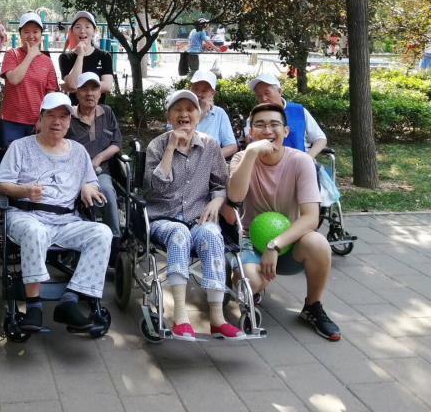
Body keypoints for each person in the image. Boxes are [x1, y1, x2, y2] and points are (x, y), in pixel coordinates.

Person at [0, 92, 112, 332]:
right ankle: (34, 306)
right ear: (40, 119)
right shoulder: (20, 147)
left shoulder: (78, 151)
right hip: (27, 216)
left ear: (69, 122)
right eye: (51, 116)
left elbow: (91, 180)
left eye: (63, 117)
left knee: (102, 233)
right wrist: (25, 190)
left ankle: (70, 300)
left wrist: (88, 186)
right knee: (34, 231)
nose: (57, 122)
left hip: (66, 220)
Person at [228, 103, 341, 341]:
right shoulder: (241, 158)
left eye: (274, 124)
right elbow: (235, 197)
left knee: (318, 243)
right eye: (260, 125)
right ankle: (248, 282)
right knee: (251, 283)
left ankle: (312, 306)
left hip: (289, 241)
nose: (267, 130)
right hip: (250, 238)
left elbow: (311, 217)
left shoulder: (301, 161)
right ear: (251, 132)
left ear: (286, 131)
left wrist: (275, 245)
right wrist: (251, 154)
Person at [143, 89, 244, 340]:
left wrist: (217, 201)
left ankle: (217, 319)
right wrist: (170, 148)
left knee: (212, 234)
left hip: (198, 218)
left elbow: (220, 184)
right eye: (178, 109)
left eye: (190, 109)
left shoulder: (210, 145)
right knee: (179, 233)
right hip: (163, 218)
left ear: (199, 116)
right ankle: (180, 317)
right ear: (169, 116)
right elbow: (155, 189)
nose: (184, 114)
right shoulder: (157, 145)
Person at [67, 72, 122, 239]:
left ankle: (114, 239)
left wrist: (98, 158)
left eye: (94, 89)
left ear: (100, 93)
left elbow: (117, 143)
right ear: (77, 93)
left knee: (107, 191)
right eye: (84, 89)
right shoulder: (69, 116)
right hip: (72, 172)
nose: (89, 93)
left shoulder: (107, 112)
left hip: (100, 171)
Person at [0, 12, 59, 149]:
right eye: (26, 32)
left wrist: (43, 119)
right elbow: (14, 79)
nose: (31, 36)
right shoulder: (12, 55)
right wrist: (30, 56)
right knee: (13, 157)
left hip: (36, 122)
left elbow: (50, 94)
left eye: (35, 32)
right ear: (20, 34)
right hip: (12, 120)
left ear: (41, 35)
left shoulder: (47, 62)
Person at [246, 74, 327, 158]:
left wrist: (308, 157)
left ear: (280, 91)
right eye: (259, 95)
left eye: (267, 93)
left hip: (299, 160)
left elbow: (320, 138)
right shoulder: (255, 116)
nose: (263, 98)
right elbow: (249, 140)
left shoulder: (299, 111)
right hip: (267, 162)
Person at [58, 11, 113, 105]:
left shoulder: (104, 56)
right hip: (75, 110)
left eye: (87, 27)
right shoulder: (65, 57)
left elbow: (107, 86)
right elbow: (72, 85)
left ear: (94, 31)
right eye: (78, 27)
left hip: (98, 109)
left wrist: (76, 87)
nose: (82, 31)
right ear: (72, 31)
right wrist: (80, 56)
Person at [189, 69, 238, 159]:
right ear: (190, 89)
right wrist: (201, 114)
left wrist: (209, 158)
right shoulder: (180, 110)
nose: (198, 94)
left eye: (204, 90)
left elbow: (232, 146)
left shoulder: (219, 113)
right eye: (195, 89)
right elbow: (178, 140)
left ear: (213, 93)